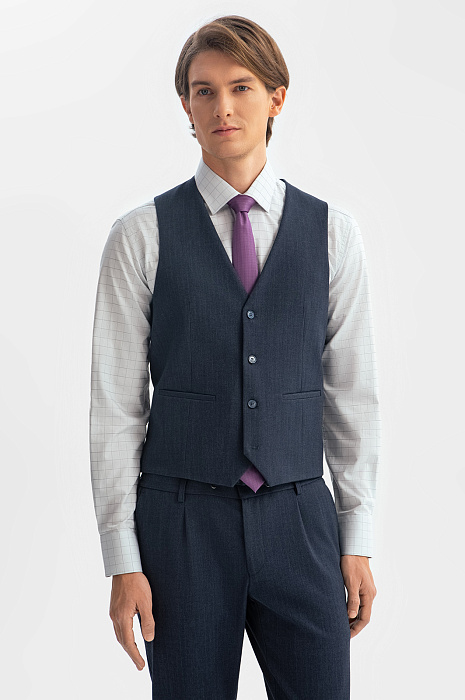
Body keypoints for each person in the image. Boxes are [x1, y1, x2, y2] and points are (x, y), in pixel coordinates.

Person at [90, 14, 380, 700]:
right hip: (181, 526)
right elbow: (116, 408)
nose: (222, 107)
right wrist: (122, 559)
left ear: (276, 98)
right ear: (185, 106)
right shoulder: (140, 236)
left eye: (241, 87)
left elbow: (352, 397)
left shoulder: (334, 235)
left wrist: (356, 537)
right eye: (204, 91)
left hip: (299, 519)